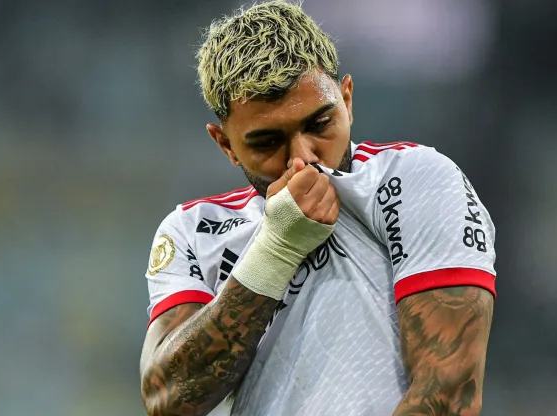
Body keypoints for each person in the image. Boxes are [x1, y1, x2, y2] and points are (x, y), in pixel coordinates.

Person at [139, 2, 496, 415]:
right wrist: (275, 250)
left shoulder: (414, 180)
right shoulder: (193, 231)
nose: (302, 159)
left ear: (347, 99)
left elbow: (449, 394)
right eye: (267, 142)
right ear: (226, 144)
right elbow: (167, 401)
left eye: (320, 124)